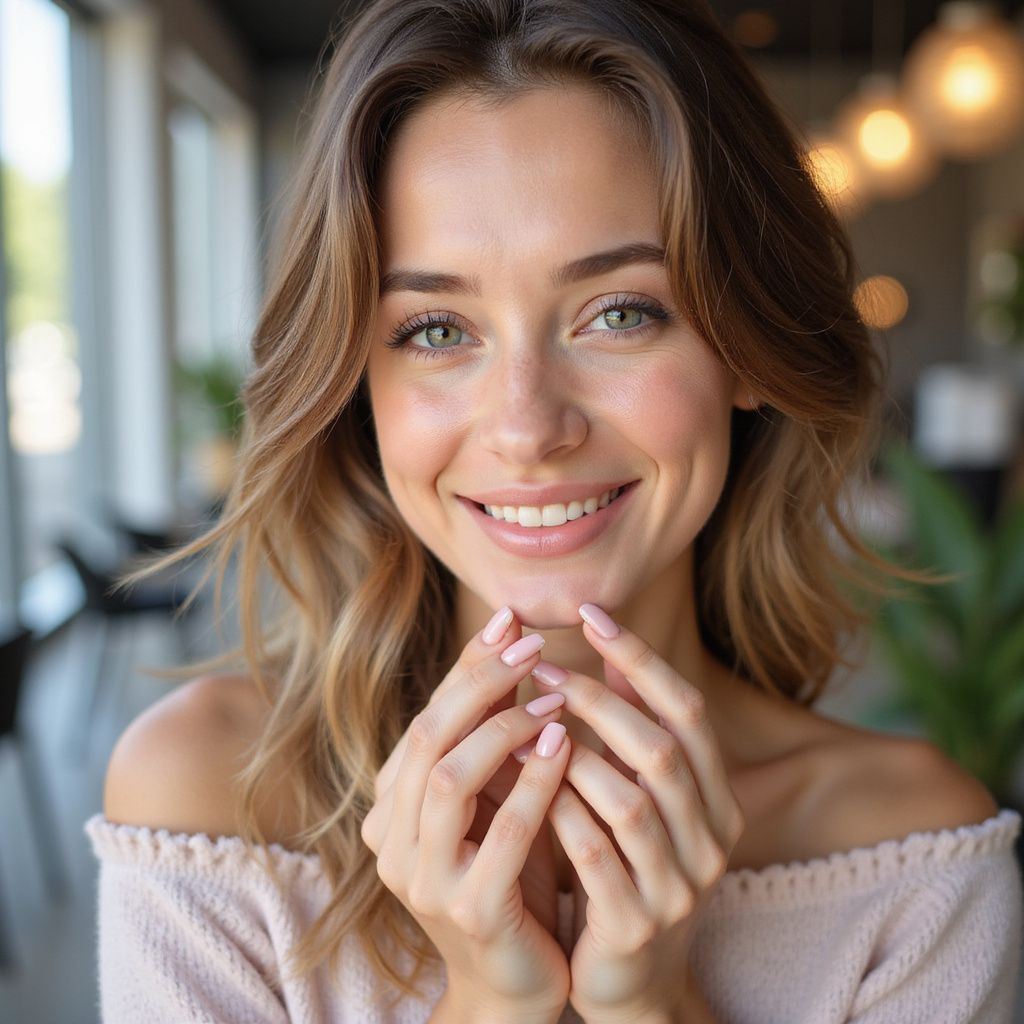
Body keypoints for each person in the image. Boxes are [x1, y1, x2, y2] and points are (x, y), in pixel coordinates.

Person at [84, 0, 1023, 1021]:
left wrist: (655, 1005)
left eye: (619, 312)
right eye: (436, 329)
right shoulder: (208, 798)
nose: (528, 427)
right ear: (358, 385)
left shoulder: (908, 855)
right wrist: (489, 1002)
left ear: (747, 350)